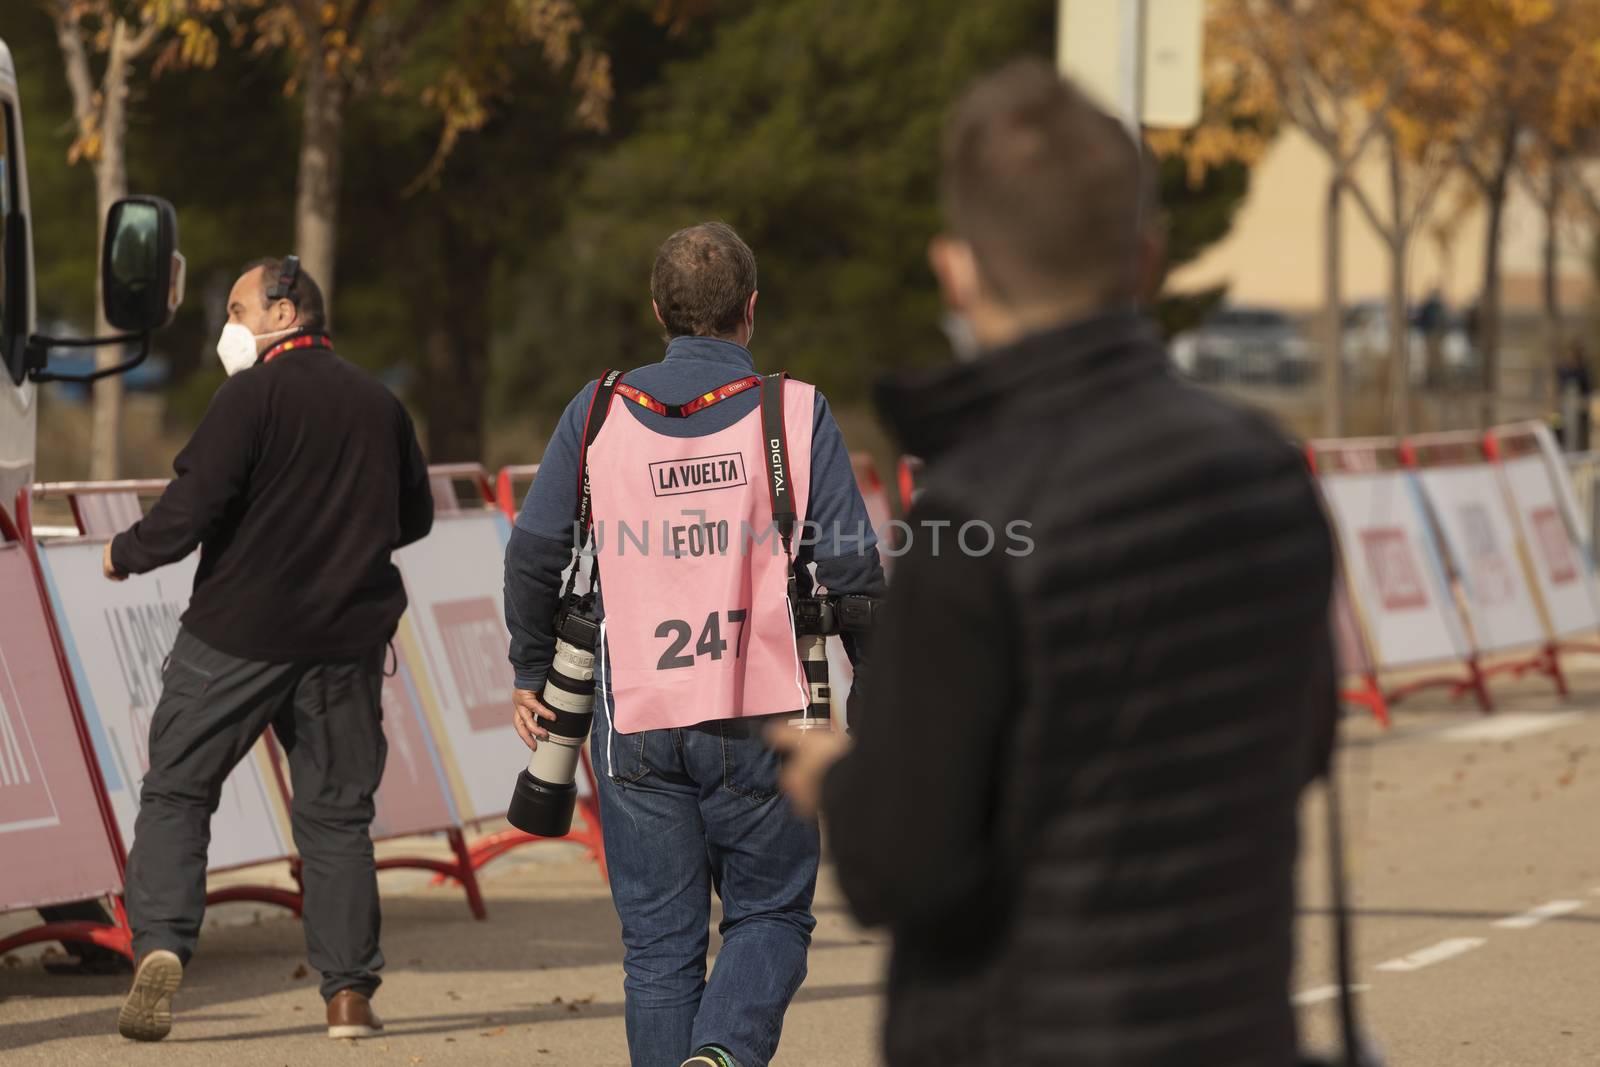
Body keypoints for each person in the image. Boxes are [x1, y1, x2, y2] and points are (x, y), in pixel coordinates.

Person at [772, 61, 1339, 1066]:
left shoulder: (969, 514)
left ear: (956, 270)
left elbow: (899, 865)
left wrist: (838, 779)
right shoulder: (1264, 469)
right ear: (1148, 261)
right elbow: (1301, 745)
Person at [504, 222, 885, 1067]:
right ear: (752, 310)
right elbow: (853, 571)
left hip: (635, 714)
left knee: (659, 949)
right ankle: (722, 1053)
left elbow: (534, 551)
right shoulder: (795, 409)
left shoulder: (599, 408)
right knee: (771, 914)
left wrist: (532, 666)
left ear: (658, 311)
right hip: (766, 714)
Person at [105, 257, 434, 1042]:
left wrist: (125, 551)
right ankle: (348, 996)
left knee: (179, 791)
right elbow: (413, 517)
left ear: (286, 313)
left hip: (235, 635)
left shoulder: (246, 397)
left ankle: (160, 944)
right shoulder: (378, 402)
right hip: (344, 642)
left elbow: (189, 508)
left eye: (240, 309)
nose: (231, 327)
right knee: (334, 820)